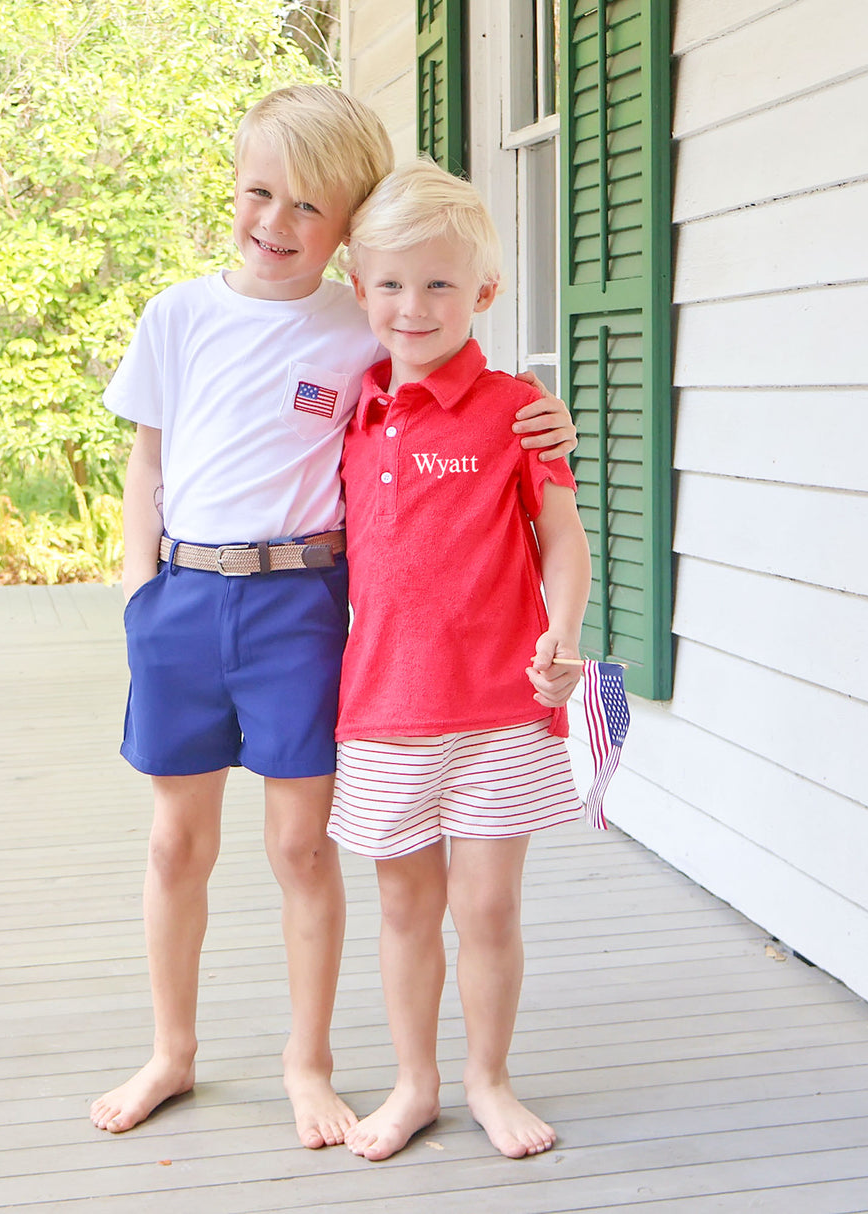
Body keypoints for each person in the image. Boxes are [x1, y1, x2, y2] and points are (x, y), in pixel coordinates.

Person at [90, 86, 578, 1150]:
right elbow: (146, 463)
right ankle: (171, 1049)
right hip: (182, 597)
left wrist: (546, 418)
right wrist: (137, 593)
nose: (275, 222)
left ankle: (305, 1060)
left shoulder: (357, 325)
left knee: (302, 847)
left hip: (301, 606)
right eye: (259, 192)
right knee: (175, 842)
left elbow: (449, 363)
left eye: (309, 206)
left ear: (348, 228)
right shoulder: (178, 315)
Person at [327, 160, 593, 1162]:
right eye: (392, 283)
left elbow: (561, 538)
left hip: (499, 710)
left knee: (486, 905)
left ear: (484, 290)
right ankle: (415, 1082)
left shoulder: (517, 409)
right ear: (359, 287)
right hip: (384, 708)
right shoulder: (345, 409)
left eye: (440, 283)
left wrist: (562, 632)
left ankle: (488, 1076)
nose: (414, 306)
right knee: (404, 905)